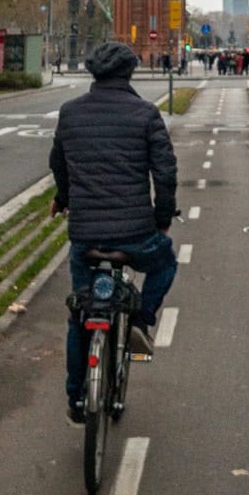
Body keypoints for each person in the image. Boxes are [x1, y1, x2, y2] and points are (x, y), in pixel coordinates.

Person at [49, 40, 178, 425]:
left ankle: (76, 398)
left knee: (81, 311)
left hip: (85, 235)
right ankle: (140, 320)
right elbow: (165, 173)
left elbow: (59, 164)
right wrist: (162, 218)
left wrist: (63, 199)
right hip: (136, 233)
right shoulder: (145, 113)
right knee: (165, 262)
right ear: (129, 72)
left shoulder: (70, 112)